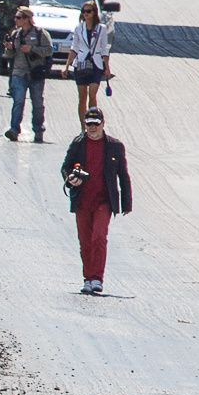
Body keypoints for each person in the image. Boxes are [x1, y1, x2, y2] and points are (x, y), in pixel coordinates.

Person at [62, 107, 131, 295]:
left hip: (104, 201)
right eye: (89, 125)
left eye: (96, 124)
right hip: (82, 201)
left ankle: (97, 279)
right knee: (85, 241)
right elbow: (65, 167)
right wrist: (70, 178)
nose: (92, 128)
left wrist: (126, 203)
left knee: (99, 237)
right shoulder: (78, 144)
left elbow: (123, 175)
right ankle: (88, 278)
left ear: (103, 124)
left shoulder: (115, 146)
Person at [5, 6, 52, 143]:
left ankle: (38, 129)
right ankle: (14, 129)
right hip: (19, 72)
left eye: (19, 17)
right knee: (18, 101)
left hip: (35, 73)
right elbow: (10, 55)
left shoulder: (40, 33)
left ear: (27, 19)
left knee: (37, 103)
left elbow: (48, 50)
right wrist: (9, 48)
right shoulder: (16, 34)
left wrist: (32, 49)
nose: (16, 20)